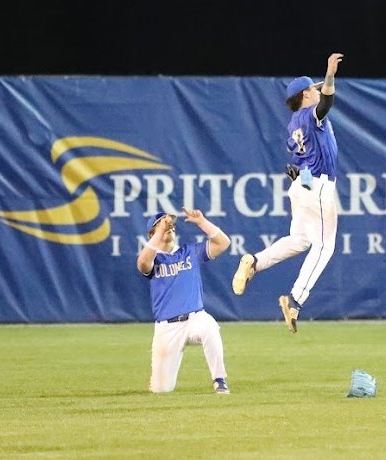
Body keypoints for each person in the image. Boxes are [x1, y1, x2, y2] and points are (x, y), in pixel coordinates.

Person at [231, 53, 344, 334]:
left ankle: (255, 261)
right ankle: (296, 299)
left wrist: (302, 181)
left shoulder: (293, 124)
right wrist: (329, 74)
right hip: (317, 186)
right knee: (324, 247)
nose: (318, 92)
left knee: (300, 240)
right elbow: (328, 101)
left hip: (304, 184)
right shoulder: (309, 114)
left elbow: (299, 165)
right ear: (306, 94)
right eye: (314, 89)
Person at [137, 209, 231, 394]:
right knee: (162, 389)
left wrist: (202, 222)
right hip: (167, 328)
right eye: (160, 224)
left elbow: (223, 243)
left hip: (194, 318)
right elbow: (142, 263)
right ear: (151, 234)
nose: (167, 226)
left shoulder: (190, 252)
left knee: (210, 327)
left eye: (169, 224)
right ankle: (157, 381)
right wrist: (159, 232)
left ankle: (219, 380)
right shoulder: (154, 259)